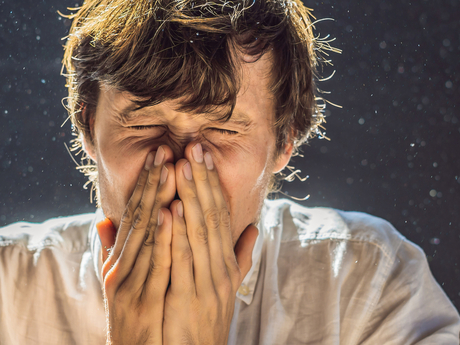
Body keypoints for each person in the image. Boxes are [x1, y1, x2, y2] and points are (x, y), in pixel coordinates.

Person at [1, 0, 459, 343]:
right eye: (143, 125)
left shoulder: (368, 286)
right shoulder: (9, 292)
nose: (181, 167)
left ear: (285, 140)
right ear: (86, 127)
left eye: (221, 131)